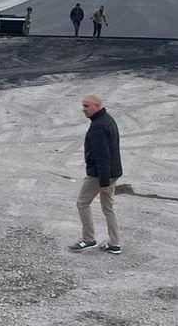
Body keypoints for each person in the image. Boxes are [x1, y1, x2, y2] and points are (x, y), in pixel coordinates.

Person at [69, 95, 122, 255]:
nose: (83, 109)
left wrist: (104, 182)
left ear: (97, 106)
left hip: (100, 174)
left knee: (82, 203)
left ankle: (88, 239)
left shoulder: (98, 127)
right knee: (108, 208)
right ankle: (114, 244)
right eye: (83, 106)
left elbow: (102, 156)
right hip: (113, 172)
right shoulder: (107, 119)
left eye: (87, 106)